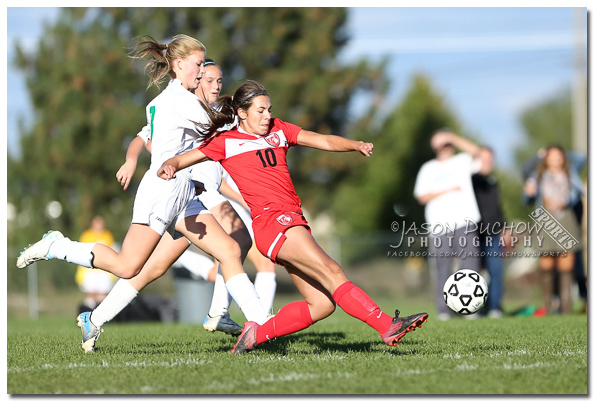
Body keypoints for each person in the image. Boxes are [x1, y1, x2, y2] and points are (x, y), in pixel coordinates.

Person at [16, 35, 269, 352]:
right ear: (179, 65)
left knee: (229, 251)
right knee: (127, 267)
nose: (202, 72)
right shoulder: (179, 100)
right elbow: (220, 129)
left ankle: (261, 325)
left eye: (205, 66)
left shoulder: (182, 98)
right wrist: (252, 113)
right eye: (198, 65)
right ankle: (58, 245)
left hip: (184, 195)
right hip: (161, 193)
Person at [158, 80, 428, 355]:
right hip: (273, 223)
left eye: (269, 110)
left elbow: (321, 139)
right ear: (242, 112)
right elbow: (187, 158)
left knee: (321, 305)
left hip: (291, 222)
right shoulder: (226, 142)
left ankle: (255, 335)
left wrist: (355, 144)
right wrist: (169, 165)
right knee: (332, 270)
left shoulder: (279, 129)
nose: (267, 116)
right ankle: (386, 325)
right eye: (260, 111)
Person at [91, 58, 253, 341]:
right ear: (197, 79)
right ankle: (230, 314)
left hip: (193, 196)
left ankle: (94, 318)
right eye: (209, 79)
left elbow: (223, 162)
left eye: (219, 81)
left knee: (152, 267)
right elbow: (145, 137)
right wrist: (140, 160)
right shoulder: (182, 106)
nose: (215, 85)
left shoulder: (217, 113)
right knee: (236, 243)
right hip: (191, 192)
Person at [413, 129, 484, 321]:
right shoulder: (428, 168)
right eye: (442, 144)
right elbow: (421, 196)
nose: (446, 148)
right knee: (442, 269)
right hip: (439, 226)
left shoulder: (461, 161)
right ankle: (444, 310)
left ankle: (472, 307)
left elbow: (478, 152)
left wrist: (451, 136)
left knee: (470, 266)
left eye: (448, 144)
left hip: (465, 222)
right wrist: (448, 189)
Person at [522, 147, 587, 314]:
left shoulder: (570, 173)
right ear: (546, 159)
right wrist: (539, 155)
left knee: (566, 264)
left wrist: (564, 152)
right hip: (545, 219)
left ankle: (566, 309)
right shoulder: (538, 175)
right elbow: (526, 195)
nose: (556, 159)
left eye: (559, 156)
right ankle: (548, 306)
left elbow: (581, 157)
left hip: (566, 218)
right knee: (547, 263)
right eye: (552, 156)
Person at [219, 170, 278, 313]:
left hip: (245, 209)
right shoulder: (217, 148)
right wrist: (242, 199)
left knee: (228, 262)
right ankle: (259, 320)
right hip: (232, 208)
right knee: (263, 264)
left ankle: (220, 313)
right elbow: (215, 180)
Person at [471, 147, 509, 318]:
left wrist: (505, 228)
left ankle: (494, 307)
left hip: (493, 233)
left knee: (496, 270)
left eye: (490, 159)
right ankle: (474, 308)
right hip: (473, 233)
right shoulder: (469, 180)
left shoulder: (493, 181)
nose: (487, 163)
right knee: (474, 273)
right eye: (483, 159)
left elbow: (497, 208)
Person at [75, 215, 117, 312]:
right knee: (91, 293)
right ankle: (88, 313)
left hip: (103, 270)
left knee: (102, 293)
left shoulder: (107, 235)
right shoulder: (87, 235)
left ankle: (101, 314)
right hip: (90, 269)